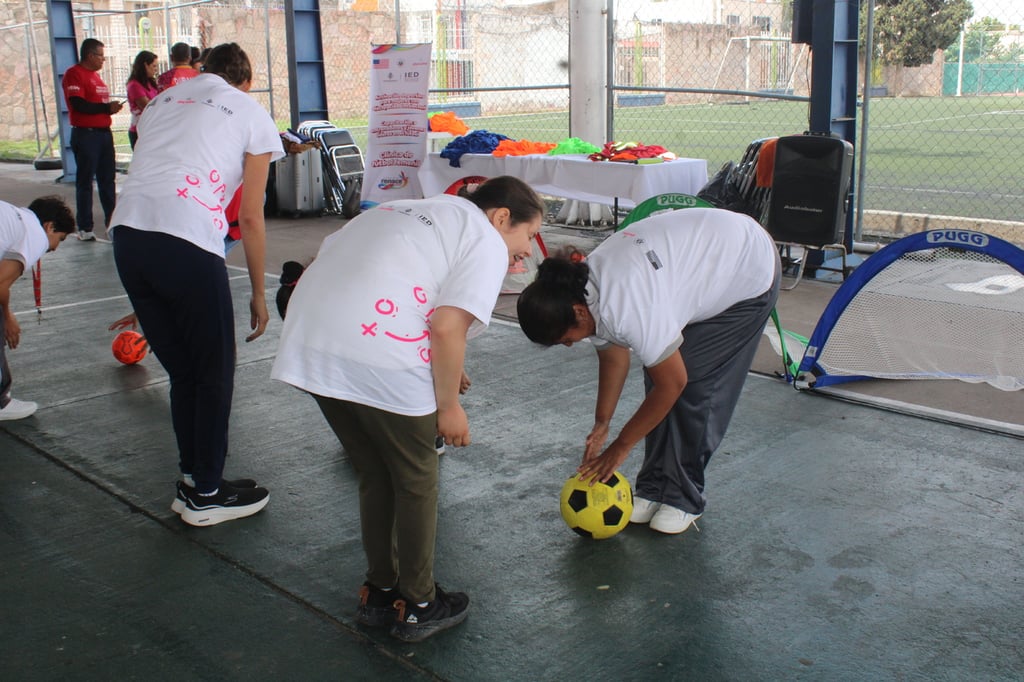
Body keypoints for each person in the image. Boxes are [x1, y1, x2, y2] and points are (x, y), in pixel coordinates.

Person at [271, 176, 545, 641]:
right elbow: (446, 327)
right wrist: (448, 407)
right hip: (378, 356)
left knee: (375, 472)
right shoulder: (484, 239)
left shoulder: (404, 209)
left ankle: (379, 592)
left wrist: (449, 368)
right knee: (416, 478)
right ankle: (419, 603)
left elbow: (383, 278)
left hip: (311, 342)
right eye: (528, 234)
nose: (527, 250)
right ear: (502, 217)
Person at [517, 207, 781, 535]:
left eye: (565, 339)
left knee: (693, 383)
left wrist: (620, 447)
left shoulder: (626, 303)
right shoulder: (582, 291)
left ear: (578, 313)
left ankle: (684, 497)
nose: (569, 345)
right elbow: (613, 358)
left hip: (748, 269)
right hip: (704, 264)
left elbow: (674, 384)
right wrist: (602, 423)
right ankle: (654, 488)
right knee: (658, 373)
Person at [108, 42, 284, 527]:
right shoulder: (249, 111)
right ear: (246, 81)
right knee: (213, 373)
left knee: (185, 373)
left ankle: (194, 480)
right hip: (185, 238)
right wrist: (257, 293)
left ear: (204, 69)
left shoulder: (162, 100)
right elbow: (251, 216)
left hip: (128, 236)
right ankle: (207, 494)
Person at [0, 196, 75, 420]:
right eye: (60, 239)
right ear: (49, 226)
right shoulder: (34, 234)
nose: (55, 247)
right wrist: (8, 317)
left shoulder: (13, 216)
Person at [61, 38, 122, 241]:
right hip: (86, 134)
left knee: (107, 180)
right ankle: (85, 226)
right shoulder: (74, 74)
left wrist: (109, 109)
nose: (103, 60)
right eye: (101, 56)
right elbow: (78, 103)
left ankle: (112, 223)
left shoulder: (96, 77)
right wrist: (105, 108)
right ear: (90, 55)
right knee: (86, 181)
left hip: (104, 133)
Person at [125, 51, 159, 150]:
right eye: (154, 66)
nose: (156, 69)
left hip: (151, 128)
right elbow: (146, 106)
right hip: (139, 131)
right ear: (145, 65)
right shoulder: (134, 85)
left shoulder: (151, 83)